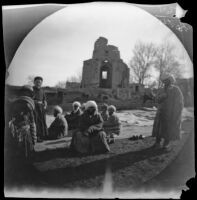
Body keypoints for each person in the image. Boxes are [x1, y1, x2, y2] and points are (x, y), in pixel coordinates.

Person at [152, 73, 184, 150]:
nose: (165, 82)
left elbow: (179, 102)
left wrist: (175, 113)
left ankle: (166, 144)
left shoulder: (176, 90)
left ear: (170, 80)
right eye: (164, 81)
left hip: (171, 113)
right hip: (161, 113)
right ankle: (157, 143)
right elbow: (156, 100)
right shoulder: (161, 89)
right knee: (158, 128)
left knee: (169, 128)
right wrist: (161, 97)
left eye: (166, 80)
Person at [6, 85, 37, 162]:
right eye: (24, 92)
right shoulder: (17, 104)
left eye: (27, 93)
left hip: (24, 131)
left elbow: (32, 122)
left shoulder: (28, 105)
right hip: (19, 131)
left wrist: (34, 138)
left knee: (24, 149)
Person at [33, 76, 48, 142]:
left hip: (42, 108)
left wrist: (45, 104)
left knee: (43, 121)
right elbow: (30, 99)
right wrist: (35, 102)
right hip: (35, 108)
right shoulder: (31, 90)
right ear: (34, 82)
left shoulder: (42, 90)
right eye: (37, 82)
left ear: (41, 83)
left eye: (40, 82)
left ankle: (43, 135)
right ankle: (37, 137)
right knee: (37, 122)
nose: (38, 83)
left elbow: (44, 99)